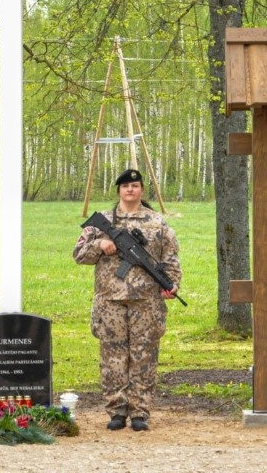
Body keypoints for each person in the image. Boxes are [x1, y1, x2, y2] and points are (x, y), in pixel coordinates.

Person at [73, 168, 181, 431]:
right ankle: (117, 411)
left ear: (142, 190)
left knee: (144, 357)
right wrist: (99, 246)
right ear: (119, 191)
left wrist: (172, 285)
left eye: (135, 185)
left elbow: (170, 260)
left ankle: (140, 412)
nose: (130, 190)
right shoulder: (102, 223)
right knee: (113, 357)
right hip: (110, 300)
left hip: (147, 302)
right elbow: (78, 254)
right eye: (125, 186)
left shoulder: (158, 223)